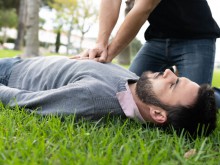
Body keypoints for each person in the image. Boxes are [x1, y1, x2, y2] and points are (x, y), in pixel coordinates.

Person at [0, 56, 217, 137]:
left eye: (174, 85)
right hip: (23, 61)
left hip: (9, 73)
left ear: (158, 113)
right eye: (178, 77)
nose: (170, 73)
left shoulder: (94, 99)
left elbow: (21, 100)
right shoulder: (135, 83)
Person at [75, 0, 220, 85]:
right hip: (158, 38)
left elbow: (144, 7)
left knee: (194, 103)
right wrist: (101, 43)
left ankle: (214, 94)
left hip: (196, 37)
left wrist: (108, 54)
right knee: (128, 88)